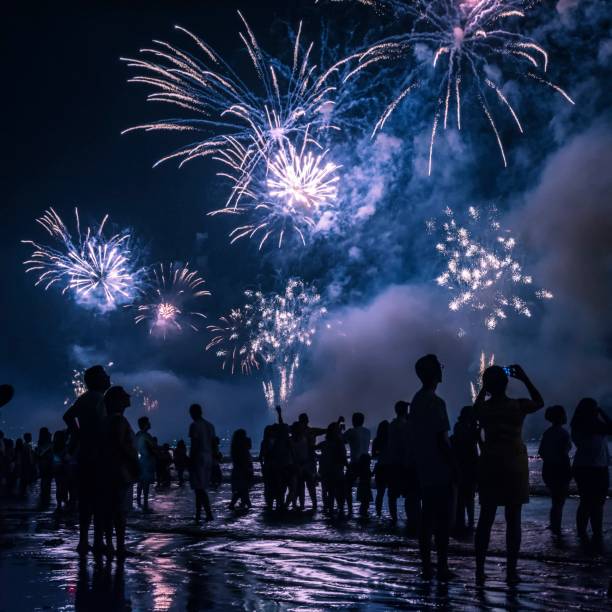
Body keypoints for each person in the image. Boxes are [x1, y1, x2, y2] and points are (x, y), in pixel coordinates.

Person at [474, 364, 544, 586]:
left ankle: (479, 569)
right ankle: (511, 571)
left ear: (487, 386)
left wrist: (484, 388)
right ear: (506, 384)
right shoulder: (518, 406)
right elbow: (539, 401)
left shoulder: (483, 409)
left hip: (490, 462)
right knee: (514, 520)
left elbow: (475, 408)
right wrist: (524, 377)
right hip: (514, 463)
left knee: (485, 518)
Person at [410, 354, 457, 581]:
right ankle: (443, 566)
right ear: (434, 373)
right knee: (443, 519)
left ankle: (427, 565)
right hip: (439, 468)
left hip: (423, 467)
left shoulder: (416, 400)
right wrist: (454, 465)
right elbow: (442, 439)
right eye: (440, 367)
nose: (442, 370)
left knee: (427, 518)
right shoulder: (436, 402)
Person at [63, 364, 111, 555]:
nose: (108, 377)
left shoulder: (84, 398)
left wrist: (78, 434)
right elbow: (105, 427)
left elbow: (67, 416)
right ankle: (98, 541)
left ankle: (83, 540)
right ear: (97, 380)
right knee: (100, 499)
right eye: (104, 375)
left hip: (84, 454)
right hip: (98, 454)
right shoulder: (100, 399)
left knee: (86, 499)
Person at [100, 386, 139, 558]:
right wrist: (134, 462)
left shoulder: (106, 420)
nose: (128, 398)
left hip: (107, 469)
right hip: (119, 470)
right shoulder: (119, 421)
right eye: (124, 396)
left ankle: (110, 544)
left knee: (109, 509)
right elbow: (122, 444)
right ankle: (120, 547)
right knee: (119, 511)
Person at [570, 398, 612, 548]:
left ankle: (585, 532)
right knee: (596, 503)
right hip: (595, 467)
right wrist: (601, 412)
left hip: (586, 466)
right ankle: (595, 533)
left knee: (587, 502)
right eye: (595, 408)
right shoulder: (590, 424)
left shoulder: (578, 424)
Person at [538, 405, 572, 536]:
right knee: (559, 501)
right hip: (560, 468)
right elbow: (564, 454)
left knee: (555, 500)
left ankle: (554, 525)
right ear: (560, 416)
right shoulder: (563, 433)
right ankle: (556, 527)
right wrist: (568, 470)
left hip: (548, 468)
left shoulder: (547, 433)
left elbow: (542, 452)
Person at [387, 401, 420, 532]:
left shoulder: (392, 425)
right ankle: (411, 520)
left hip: (393, 463)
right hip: (404, 463)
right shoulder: (406, 426)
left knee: (393, 495)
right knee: (410, 494)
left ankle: (394, 519)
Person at [451, 406, 480, 535]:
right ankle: (468, 524)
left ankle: (462, 523)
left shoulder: (460, 428)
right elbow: (471, 447)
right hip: (467, 467)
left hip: (463, 466)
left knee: (463, 497)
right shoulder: (465, 430)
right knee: (468, 497)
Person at [188, 403, 216, 522]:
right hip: (208, 457)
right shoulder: (210, 425)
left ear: (194, 413)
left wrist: (190, 460)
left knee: (199, 489)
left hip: (198, 458)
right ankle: (199, 514)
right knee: (201, 487)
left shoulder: (194, 425)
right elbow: (214, 443)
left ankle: (208, 514)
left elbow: (195, 444)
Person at [344, 412, 371, 515]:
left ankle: (350, 509)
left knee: (347, 486)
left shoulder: (352, 432)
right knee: (365, 487)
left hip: (355, 463)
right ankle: (364, 509)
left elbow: (341, 440)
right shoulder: (367, 432)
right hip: (366, 462)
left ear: (354, 421)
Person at [318, 422, 347, 516]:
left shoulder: (324, 444)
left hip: (327, 471)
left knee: (329, 493)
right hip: (336, 471)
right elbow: (343, 458)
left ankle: (329, 512)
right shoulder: (339, 443)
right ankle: (338, 513)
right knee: (338, 495)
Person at [135, 417, 156, 511]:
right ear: (145, 424)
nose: (150, 423)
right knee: (146, 484)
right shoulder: (147, 436)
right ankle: (146, 505)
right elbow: (153, 448)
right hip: (147, 461)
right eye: (148, 422)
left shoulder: (138, 435)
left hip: (141, 460)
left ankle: (138, 503)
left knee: (140, 483)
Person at [229, 429, 254, 510]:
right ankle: (246, 505)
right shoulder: (241, 448)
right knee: (243, 489)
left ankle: (242, 505)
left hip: (240, 469)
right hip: (243, 470)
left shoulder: (236, 446)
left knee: (242, 489)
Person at [372, 420, 391, 518]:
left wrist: (381, 453)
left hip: (380, 467)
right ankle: (393, 515)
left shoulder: (377, 440)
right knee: (391, 494)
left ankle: (378, 514)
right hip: (391, 468)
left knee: (380, 493)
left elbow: (373, 455)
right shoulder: (392, 439)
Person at [36, 427, 53, 507]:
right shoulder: (48, 442)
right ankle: (46, 495)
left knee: (44, 479)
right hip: (48, 462)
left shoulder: (40, 442)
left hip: (42, 462)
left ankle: (43, 494)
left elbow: (39, 453)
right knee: (47, 479)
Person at [52, 430, 69, 511]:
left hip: (56, 467)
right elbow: (66, 457)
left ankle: (59, 504)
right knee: (64, 486)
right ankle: (65, 502)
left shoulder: (54, 447)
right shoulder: (65, 447)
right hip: (64, 468)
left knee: (59, 486)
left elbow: (53, 458)